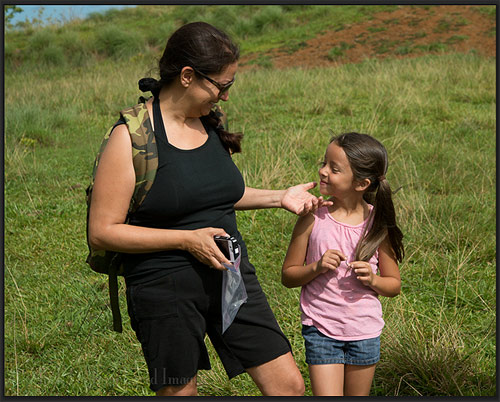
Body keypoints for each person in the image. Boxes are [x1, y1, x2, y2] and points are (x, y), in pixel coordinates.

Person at [88, 21, 330, 396]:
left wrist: (278, 196)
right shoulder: (131, 138)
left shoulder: (208, 122)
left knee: (288, 386)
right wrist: (187, 240)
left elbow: (214, 194)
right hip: (163, 285)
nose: (226, 97)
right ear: (188, 76)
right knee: (179, 393)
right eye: (222, 86)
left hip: (232, 274)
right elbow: (103, 230)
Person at [281, 132, 404, 396]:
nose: (323, 171)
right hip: (321, 329)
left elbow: (393, 285)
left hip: (364, 332)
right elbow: (288, 276)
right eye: (324, 163)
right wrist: (316, 267)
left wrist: (372, 279)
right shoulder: (312, 217)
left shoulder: (377, 224)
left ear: (361, 183)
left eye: (334, 169)